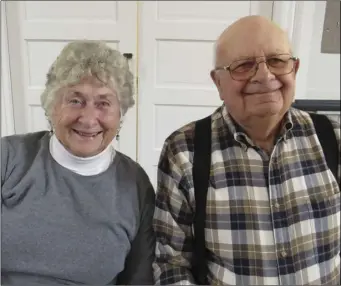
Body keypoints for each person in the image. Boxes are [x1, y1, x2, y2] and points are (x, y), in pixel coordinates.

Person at [153, 15, 340, 285]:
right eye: (243, 66)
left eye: (277, 60)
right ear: (218, 83)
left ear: (294, 69)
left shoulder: (332, 137)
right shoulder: (185, 151)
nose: (265, 76)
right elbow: (171, 265)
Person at [1, 40, 155, 285]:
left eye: (103, 103)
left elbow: (139, 280)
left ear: (120, 114)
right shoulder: (8, 157)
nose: (88, 118)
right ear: (52, 106)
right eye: (75, 100)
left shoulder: (134, 184)